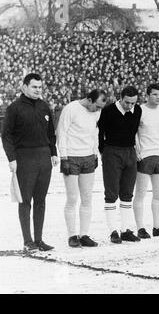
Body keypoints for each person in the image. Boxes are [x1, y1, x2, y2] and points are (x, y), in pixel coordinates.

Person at [2, 73, 60, 252]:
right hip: (24, 158)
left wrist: (53, 153)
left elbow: (51, 133)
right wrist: (12, 158)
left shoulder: (44, 106)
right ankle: (28, 241)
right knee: (25, 200)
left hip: (44, 157)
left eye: (40, 87)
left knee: (41, 200)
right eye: (34, 87)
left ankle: (39, 239)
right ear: (24, 87)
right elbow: (6, 136)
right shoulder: (14, 108)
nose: (37, 90)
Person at [56, 89, 107, 248]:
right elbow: (61, 133)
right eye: (97, 106)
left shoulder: (96, 113)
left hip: (88, 158)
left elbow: (94, 133)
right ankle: (72, 235)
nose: (98, 111)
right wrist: (63, 157)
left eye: (101, 108)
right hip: (71, 157)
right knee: (72, 198)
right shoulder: (71, 109)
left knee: (87, 198)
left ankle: (84, 234)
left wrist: (95, 154)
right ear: (89, 100)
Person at [98, 85, 142, 244]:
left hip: (130, 152)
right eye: (127, 102)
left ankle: (125, 230)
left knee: (127, 193)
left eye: (133, 103)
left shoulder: (137, 110)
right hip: (112, 152)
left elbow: (135, 131)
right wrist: (104, 152)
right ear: (120, 98)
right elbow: (100, 133)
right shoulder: (108, 111)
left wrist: (136, 150)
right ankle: (113, 231)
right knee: (111, 193)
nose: (130, 106)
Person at [133, 83, 159, 238]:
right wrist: (136, 150)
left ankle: (157, 227)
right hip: (145, 156)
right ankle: (141, 228)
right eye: (155, 94)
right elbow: (134, 131)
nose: (158, 98)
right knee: (140, 194)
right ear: (148, 95)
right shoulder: (140, 110)